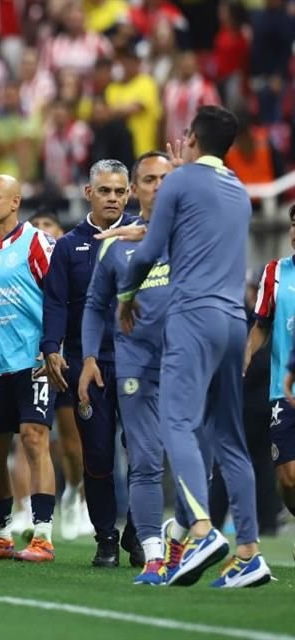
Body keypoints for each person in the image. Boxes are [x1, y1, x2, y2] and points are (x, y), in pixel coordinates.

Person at [117, 105, 271, 588]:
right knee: (229, 437)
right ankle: (248, 551)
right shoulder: (239, 190)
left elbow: (148, 251)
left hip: (193, 315)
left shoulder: (180, 183)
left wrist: (125, 295)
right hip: (232, 319)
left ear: (192, 137)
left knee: (176, 422)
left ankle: (202, 531)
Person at [80, 151, 187, 585]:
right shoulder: (116, 245)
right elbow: (94, 305)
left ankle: (181, 536)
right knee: (144, 461)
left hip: (187, 362)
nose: (158, 186)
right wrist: (88, 357)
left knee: (198, 461)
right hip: (135, 364)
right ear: (135, 190)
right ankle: (153, 553)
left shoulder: (192, 234)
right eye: (149, 179)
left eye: (166, 179)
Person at [41, 158, 141, 568]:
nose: (113, 198)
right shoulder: (69, 246)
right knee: (96, 454)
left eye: (120, 191)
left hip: (139, 362)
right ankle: (105, 537)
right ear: (89, 193)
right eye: (105, 190)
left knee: (142, 451)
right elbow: (56, 302)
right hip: (89, 365)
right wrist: (51, 347)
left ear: (129, 193)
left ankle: (138, 532)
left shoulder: (145, 237)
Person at [0, 175, 58, 564]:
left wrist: (52, 347)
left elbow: (58, 295)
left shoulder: (35, 242)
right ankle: (2, 535)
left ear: (16, 202)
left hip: (32, 361)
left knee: (34, 439)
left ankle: (43, 535)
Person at [28, 210, 89, 541]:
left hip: (62, 356)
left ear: (60, 232)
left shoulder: (67, 260)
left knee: (71, 442)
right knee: (29, 435)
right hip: (29, 355)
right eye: (35, 227)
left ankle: (76, 496)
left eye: (47, 226)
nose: (41, 232)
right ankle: (27, 509)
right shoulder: (22, 261)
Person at [246, 204, 295, 556]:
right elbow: (261, 323)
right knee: (288, 477)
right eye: (294, 224)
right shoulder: (275, 273)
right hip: (284, 391)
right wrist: (245, 356)